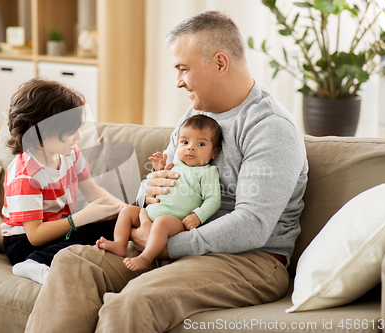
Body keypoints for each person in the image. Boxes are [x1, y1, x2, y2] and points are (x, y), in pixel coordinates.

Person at [25, 10, 308, 333]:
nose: (178, 82)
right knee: (72, 263)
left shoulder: (269, 127)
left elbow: (253, 225)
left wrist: (165, 245)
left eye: (183, 69)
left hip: (249, 259)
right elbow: (153, 186)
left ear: (220, 62)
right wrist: (150, 189)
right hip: (170, 237)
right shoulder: (195, 115)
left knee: (134, 300)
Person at [1, 77, 126, 284]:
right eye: (70, 132)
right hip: (25, 242)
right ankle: (33, 264)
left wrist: (126, 211)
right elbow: (35, 235)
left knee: (114, 224)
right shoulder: (25, 174)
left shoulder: (70, 154)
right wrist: (81, 218)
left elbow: (92, 190)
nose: (78, 137)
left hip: (61, 227)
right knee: (84, 234)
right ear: (42, 133)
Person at [96, 114, 222, 271]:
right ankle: (120, 244)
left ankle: (145, 258)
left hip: (174, 221)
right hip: (149, 214)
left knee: (161, 223)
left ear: (214, 152)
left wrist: (198, 216)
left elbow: (213, 200)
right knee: (127, 210)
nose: (191, 147)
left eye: (201, 144)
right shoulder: (174, 164)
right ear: (177, 145)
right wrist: (159, 169)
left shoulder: (207, 172)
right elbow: (158, 184)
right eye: (184, 142)